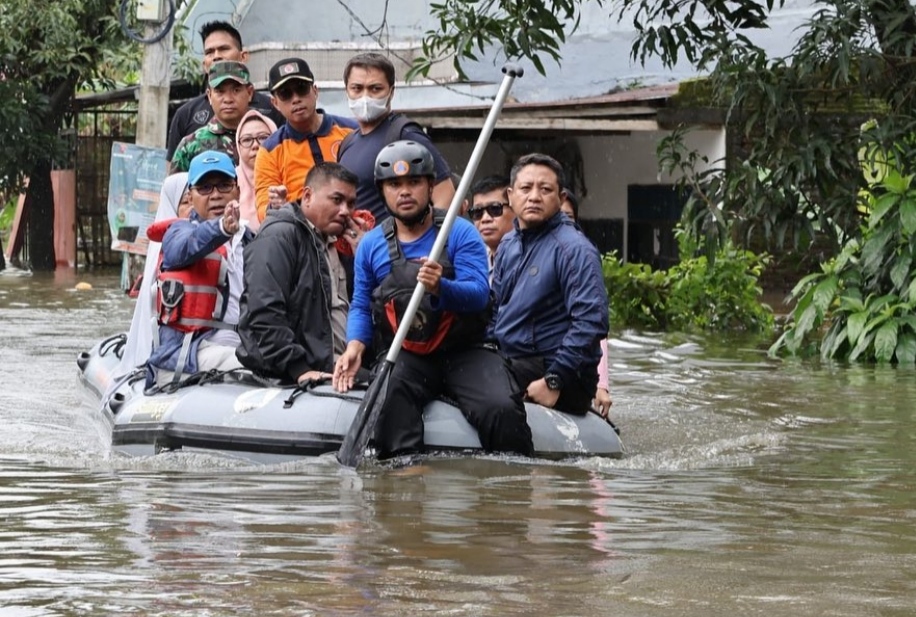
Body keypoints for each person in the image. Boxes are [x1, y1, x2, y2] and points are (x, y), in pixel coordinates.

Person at [333, 140, 532, 459]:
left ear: (429, 186)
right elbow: (360, 305)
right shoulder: (371, 245)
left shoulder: (460, 232)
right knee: (390, 402)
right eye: (394, 184)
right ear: (383, 191)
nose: (404, 192)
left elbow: (480, 294)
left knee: (501, 409)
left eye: (414, 182)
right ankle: (408, 486)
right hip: (408, 354)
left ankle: (510, 491)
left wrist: (442, 287)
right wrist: (355, 345)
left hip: (465, 352)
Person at [489, 153, 609, 415]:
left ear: (561, 198)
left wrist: (555, 379)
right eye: (526, 188)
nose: (534, 197)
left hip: (557, 373)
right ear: (510, 196)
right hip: (513, 360)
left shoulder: (575, 249)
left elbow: (591, 321)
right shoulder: (508, 244)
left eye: (545, 189)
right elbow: (494, 310)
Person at [236, 163, 360, 384]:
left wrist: (363, 255)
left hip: (339, 370)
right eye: (336, 200)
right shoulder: (279, 235)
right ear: (307, 196)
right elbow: (264, 311)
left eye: (351, 203)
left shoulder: (339, 242)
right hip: (293, 377)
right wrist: (299, 369)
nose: (345, 211)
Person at [146, 151, 251, 388]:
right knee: (252, 362)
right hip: (192, 351)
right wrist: (221, 227)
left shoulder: (251, 237)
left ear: (238, 190)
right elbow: (184, 248)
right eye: (204, 188)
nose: (215, 195)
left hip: (246, 343)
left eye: (224, 185)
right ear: (191, 197)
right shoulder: (179, 232)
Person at [336, 52, 454, 222]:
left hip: (394, 247)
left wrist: (423, 243)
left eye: (375, 88)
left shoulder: (405, 135)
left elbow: (445, 194)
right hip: (359, 247)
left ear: (391, 92)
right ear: (347, 91)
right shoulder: (347, 143)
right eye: (357, 88)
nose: (365, 97)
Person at [255, 58, 357, 223]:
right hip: (301, 233)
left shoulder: (351, 131)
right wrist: (277, 207)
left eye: (302, 89)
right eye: (285, 94)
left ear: (315, 91)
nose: (295, 99)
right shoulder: (270, 150)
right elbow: (262, 209)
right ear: (275, 103)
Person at [166, 21, 282, 161]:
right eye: (209, 52)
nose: (216, 56)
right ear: (204, 65)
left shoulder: (273, 109)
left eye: (223, 49)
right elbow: (175, 178)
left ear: (243, 56)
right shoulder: (186, 115)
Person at [558, 187, 613, 417]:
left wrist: (601, 386)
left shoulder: (582, 258)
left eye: (568, 217)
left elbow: (593, 328)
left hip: (571, 365)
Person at [170, 61, 254, 173]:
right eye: (220, 91)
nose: (228, 99)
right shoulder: (191, 145)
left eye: (236, 90)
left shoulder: (266, 138)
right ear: (209, 96)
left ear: (249, 93)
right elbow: (175, 188)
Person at [234, 109, 278, 232]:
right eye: (247, 140)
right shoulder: (229, 182)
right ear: (238, 146)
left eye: (263, 138)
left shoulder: (287, 175)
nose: (255, 145)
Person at [466, 175, 514, 282]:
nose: (485, 219)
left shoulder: (529, 259)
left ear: (515, 208)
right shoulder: (471, 262)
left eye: (494, 209)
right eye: (477, 212)